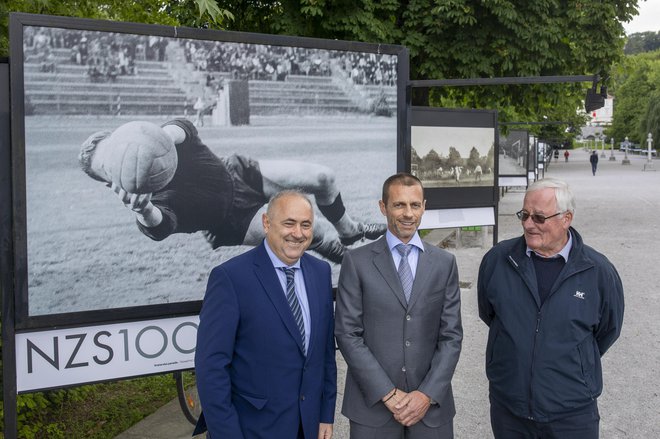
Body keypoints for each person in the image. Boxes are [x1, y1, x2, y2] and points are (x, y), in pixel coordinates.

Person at [78, 118, 386, 263]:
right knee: (307, 226)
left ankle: (349, 231)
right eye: (107, 166)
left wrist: (159, 137)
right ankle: (345, 257)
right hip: (232, 221)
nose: (119, 159)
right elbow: (160, 227)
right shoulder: (148, 201)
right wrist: (143, 209)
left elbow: (183, 126)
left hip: (240, 173)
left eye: (114, 149)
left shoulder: (162, 143)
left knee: (324, 177)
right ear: (109, 181)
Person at [477, 178, 624, 439]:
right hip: (509, 409)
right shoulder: (498, 260)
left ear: (566, 218)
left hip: (572, 413)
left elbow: (608, 330)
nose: (528, 224)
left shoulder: (598, 271)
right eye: (524, 215)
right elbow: (489, 313)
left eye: (539, 218)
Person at [194, 190, 337, 438]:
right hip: (252, 428)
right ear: (266, 223)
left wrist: (326, 413)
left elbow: (324, 353)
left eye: (306, 225)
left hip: (308, 424)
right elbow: (211, 368)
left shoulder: (321, 272)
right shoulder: (231, 278)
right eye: (289, 223)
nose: (298, 233)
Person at [335, 172, 463, 439]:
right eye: (399, 205)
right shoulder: (356, 262)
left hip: (430, 410)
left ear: (424, 207)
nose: (408, 213)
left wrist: (426, 395)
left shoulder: (444, 263)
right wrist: (388, 393)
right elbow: (348, 334)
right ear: (383, 207)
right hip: (373, 409)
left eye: (415, 205)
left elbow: (451, 336)